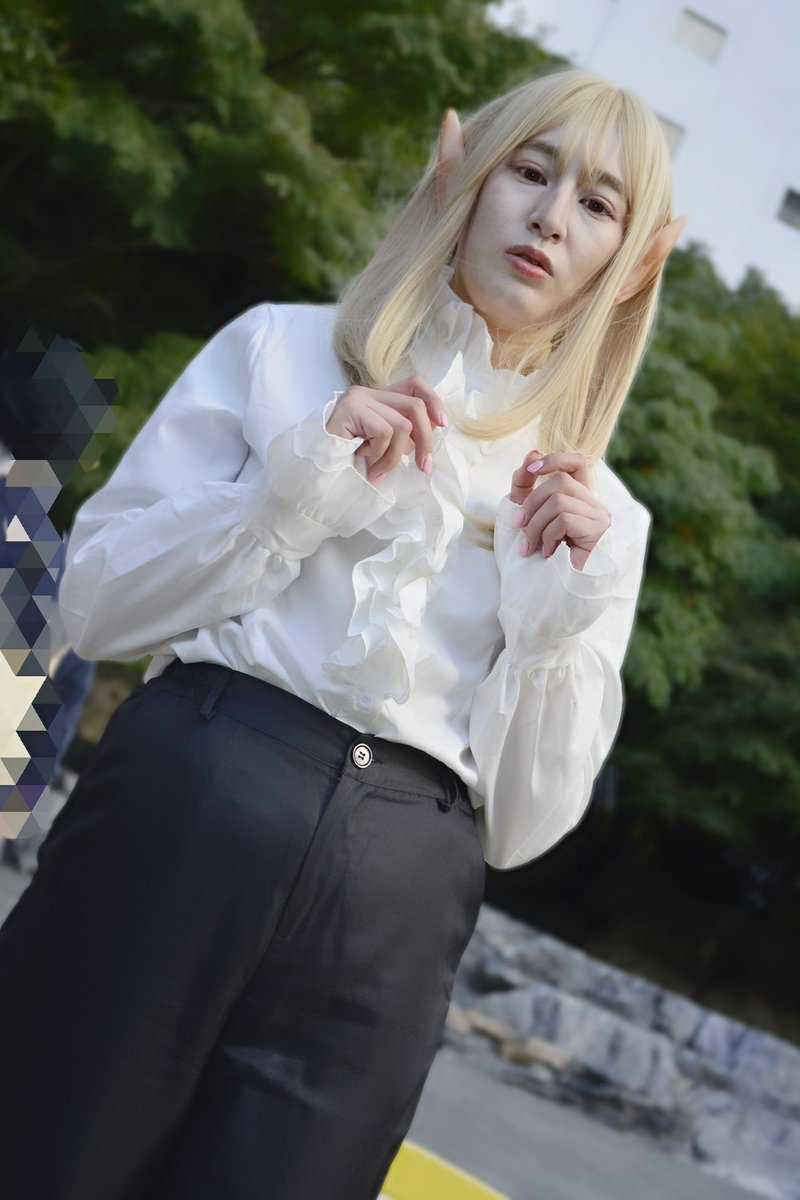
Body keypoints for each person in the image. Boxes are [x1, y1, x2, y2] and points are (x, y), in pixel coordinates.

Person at [0, 68, 685, 1200]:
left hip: (391, 916)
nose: (553, 218)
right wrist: (287, 497)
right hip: (181, 814)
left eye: (599, 203)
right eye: (530, 170)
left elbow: (522, 827)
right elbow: (93, 605)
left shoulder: (598, 519)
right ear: (462, 173)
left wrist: (551, 626)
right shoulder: (279, 349)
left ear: (633, 262)